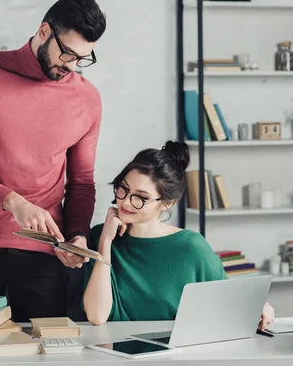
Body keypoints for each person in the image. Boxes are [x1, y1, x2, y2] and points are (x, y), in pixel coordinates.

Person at [0, 0, 106, 321]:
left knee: (43, 355)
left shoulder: (87, 98)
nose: (71, 66)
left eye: (83, 58)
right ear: (44, 31)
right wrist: (14, 202)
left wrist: (77, 234)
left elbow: (82, 182)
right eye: (68, 54)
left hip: (44, 255)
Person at [82, 141, 275, 329]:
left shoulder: (191, 247)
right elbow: (97, 315)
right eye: (123, 189)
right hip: (115, 354)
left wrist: (259, 310)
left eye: (141, 197)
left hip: (175, 355)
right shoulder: (101, 236)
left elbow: (228, 303)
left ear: (167, 203)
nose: (125, 202)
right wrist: (106, 241)